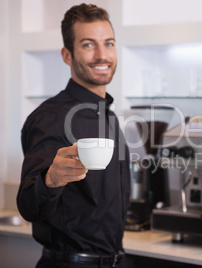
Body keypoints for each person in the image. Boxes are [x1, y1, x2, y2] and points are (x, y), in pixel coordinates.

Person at [16, 4, 130, 268]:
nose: (103, 55)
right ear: (67, 55)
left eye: (109, 44)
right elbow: (28, 206)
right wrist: (51, 180)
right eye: (88, 45)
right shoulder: (51, 119)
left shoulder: (108, 116)